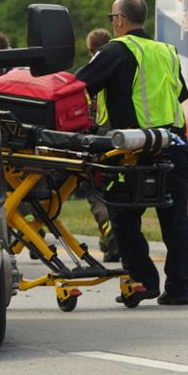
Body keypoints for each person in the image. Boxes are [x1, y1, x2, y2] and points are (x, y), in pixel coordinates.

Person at [75, 0, 188, 306]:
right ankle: (179, 289)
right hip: (175, 144)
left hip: (135, 149)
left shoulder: (116, 50)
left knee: (123, 214)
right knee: (176, 219)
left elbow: (80, 84)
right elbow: (180, 94)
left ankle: (143, 280)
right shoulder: (167, 51)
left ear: (119, 20)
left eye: (112, 17)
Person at [80, 26, 119, 262]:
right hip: (120, 141)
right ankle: (111, 240)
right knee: (116, 194)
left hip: (95, 143)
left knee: (96, 196)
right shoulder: (119, 70)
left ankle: (110, 236)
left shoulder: (88, 75)